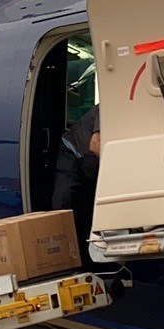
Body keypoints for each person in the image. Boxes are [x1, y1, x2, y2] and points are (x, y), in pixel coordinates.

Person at [52, 105, 100, 248]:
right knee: (64, 198)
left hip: (90, 164)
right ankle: (57, 243)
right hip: (72, 151)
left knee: (87, 207)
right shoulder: (109, 107)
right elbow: (95, 144)